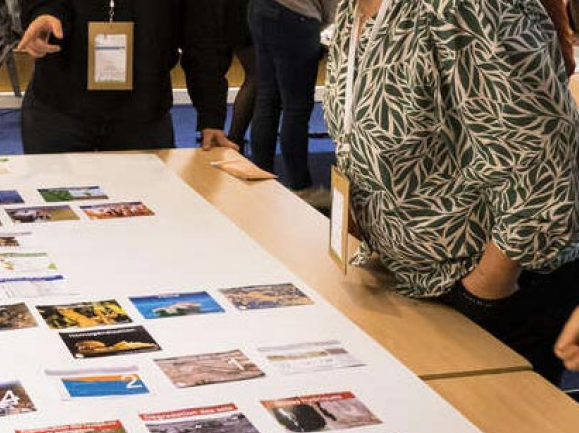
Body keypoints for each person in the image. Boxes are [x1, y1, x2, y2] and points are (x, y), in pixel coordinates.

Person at [324, 0, 579, 384]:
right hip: (404, 284)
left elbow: (542, 157)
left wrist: (484, 290)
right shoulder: (353, 8)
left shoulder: (465, 6)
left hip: (486, 292)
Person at [17, 0, 236, 153]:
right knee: (56, 210)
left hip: (143, 112)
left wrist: (211, 116)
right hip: (60, 106)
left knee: (149, 211)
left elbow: (204, 37)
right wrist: (42, 14)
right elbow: (43, 3)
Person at [248, 0, 336, 199]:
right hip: (297, 16)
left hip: (261, 9)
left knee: (267, 97)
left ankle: (260, 181)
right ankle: (301, 187)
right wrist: (330, 23)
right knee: (296, 107)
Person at [220, 0, 257, 151]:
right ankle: (235, 140)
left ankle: (229, 138)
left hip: (224, 12)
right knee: (257, 78)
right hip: (242, 13)